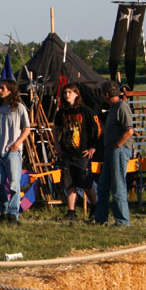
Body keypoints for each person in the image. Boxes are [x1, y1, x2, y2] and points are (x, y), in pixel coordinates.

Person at [0, 79, 31, 225]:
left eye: (2, 88)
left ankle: (13, 214)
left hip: (13, 152)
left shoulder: (19, 108)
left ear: (10, 91)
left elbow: (27, 129)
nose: (0, 90)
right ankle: (3, 210)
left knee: (14, 184)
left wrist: (17, 144)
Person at [54, 83, 101, 220]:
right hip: (67, 153)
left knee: (86, 183)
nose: (66, 95)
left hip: (82, 153)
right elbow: (55, 128)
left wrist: (93, 146)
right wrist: (57, 145)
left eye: (69, 92)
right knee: (70, 184)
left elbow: (97, 129)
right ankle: (71, 212)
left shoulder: (85, 111)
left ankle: (95, 207)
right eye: (64, 93)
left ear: (76, 94)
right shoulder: (62, 112)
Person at [94, 81, 134, 227]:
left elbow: (129, 131)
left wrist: (117, 144)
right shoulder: (113, 108)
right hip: (110, 150)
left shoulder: (122, 107)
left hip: (119, 149)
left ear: (106, 94)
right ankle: (100, 218)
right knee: (103, 185)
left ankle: (122, 221)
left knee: (118, 185)